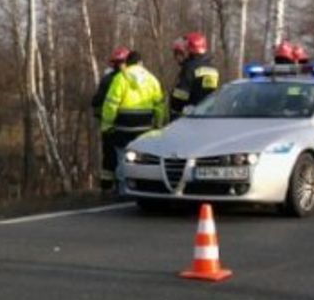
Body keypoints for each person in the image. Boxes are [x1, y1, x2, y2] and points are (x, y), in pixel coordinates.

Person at [100, 50, 166, 193]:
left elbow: (111, 104)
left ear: (127, 63)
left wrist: (107, 124)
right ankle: (144, 189)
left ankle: (124, 189)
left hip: (123, 127)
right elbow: (159, 105)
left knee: (122, 158)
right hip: (144, 127)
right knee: (144, 159)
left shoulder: (120, 78)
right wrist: (159, 125)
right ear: (140, 63)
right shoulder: (151, 79)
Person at [91, 46, 131, 192]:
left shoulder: (108, 79)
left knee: (109, 157)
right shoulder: (133, 79)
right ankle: (123, 185)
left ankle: (107, 188)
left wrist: (101, 118)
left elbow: (96, 102)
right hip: (128, 126)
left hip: (109, 126)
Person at [169, 31, 220, 120]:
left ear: (191, 50)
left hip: (189, 115)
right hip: (207, 114)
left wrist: (173, 106)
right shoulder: (213, 68)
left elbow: (181, 94)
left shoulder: (190, 68)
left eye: (186, 48)